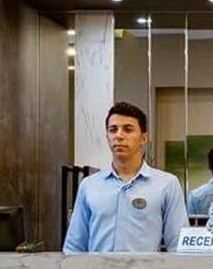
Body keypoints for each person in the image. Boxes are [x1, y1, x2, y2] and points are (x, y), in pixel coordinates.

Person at [63, 101, 187, 253]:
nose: (119, 135)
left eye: (128, 129)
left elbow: (178, 247)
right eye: (113, 130)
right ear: (107, 137)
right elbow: (74, 247)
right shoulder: (89, 185)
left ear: (144, 138)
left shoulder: (166, 185)